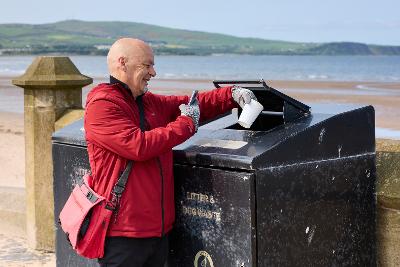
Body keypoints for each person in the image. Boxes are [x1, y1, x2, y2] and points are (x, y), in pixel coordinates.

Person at [84, 38, 256, 267]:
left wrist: (231, 95)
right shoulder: (102, 106)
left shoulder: (147, 102)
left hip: (158, 232)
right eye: (147, 65)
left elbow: (191, 103)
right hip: (123, 235)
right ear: (122, 63)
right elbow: (139, 146)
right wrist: (186, 123)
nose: (153, 72)